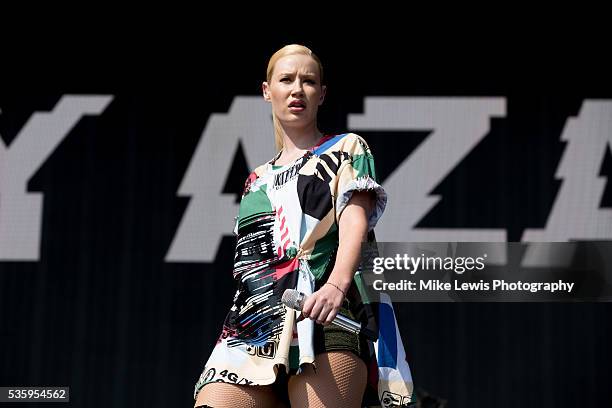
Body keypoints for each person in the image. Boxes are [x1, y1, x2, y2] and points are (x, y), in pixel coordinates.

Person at [194, 44, 413, 408]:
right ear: (267, 91)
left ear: (321, 94)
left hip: (326, 313)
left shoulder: (346, 148)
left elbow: (354, 222)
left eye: (308, 81)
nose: (297, 89)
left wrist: (336, 287)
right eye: (286, 79)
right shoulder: (256, 179)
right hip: (254, 322)